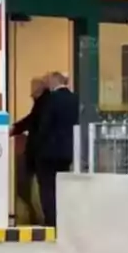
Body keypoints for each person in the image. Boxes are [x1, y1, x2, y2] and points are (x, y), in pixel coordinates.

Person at [32, 71, 78, 228]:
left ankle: (51, 221)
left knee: (47, 187)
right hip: (67, 152)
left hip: (48, 152)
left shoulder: (50, 100)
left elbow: (44, 125)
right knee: (62, 186)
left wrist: (36, 146)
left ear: (54, 81)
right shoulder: (75, 99)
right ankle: (64, 220)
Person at [9, 77, 49, 224]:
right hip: (40, 153)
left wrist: (13, 129)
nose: (31, 95)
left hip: (39, 153)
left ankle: (40, 217)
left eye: (33, 91)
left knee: (38, 187)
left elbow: (32, 121)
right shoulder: (44, 103)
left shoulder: (43, 103)